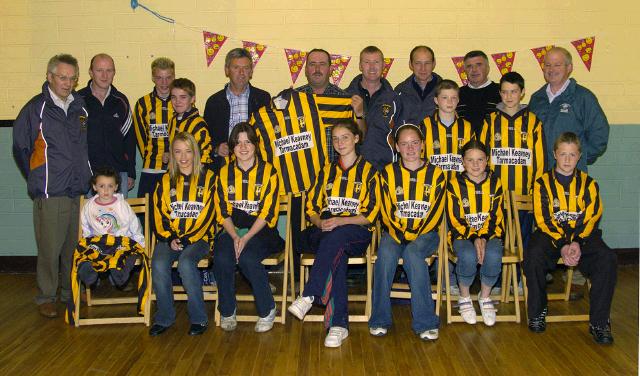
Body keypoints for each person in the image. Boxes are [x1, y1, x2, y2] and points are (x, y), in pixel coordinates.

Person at [13, 53, 92, 318]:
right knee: (49, 248)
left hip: (77, 189)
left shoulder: (80, 107)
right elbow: (21, 147)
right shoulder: (36, 108)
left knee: (73, 247)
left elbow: (83, 147)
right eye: (62, 77)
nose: (67, 83)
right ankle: (46, 296)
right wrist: (39, 178)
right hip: (51, 191)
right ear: (49, 77)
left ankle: (69, 293)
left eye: (72, 78)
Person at [288, 119, 379, 348]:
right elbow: (311, 208)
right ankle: (338, 326)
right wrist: (320, 222)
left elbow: (370, 214)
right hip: (325, 231)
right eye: (335, 139)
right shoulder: (326, 171)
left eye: (345, 137)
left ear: (356, 138)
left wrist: (341, 220)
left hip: (355, 231)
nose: (340, 143)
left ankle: (310, 293)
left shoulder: (370, 171)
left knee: (337, 238)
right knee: (335, 247)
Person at [523, 132, 616, 345]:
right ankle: (537, 311)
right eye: (563, 154)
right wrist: (564, 243)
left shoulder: (590, 184)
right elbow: (543, 218)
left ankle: (599, 322)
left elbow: (592, 217)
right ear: (555, 154)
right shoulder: (541, 183)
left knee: (607, 258)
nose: (567, 160)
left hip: (581, 237)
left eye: (572, 155)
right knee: (533, 254)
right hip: (551, 235)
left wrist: (577, 242)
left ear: (579, 156)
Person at [369, 124, 445, 341]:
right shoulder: (387, 173)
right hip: (394, 232)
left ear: (422, 145)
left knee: (413, 253)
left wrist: (413, 235)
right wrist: (399, 232)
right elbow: (384, 209)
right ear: (397, 147)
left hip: (426, 234)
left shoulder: (437, 174)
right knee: (385, 254)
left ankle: (426, 322)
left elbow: (436, 211)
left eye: (414, 143)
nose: (410, 148)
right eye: (404, 143)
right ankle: (380, 319)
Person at [212, 122, 284, 333]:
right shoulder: (224, 174)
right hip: (233, 229)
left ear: (255, 145)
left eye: (248, 142)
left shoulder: (269, 172)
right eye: (238, 143)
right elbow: (223, 211)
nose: (243, 147)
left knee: (247, 258)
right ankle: (227, 310)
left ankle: (268, 308)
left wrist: (246, 238)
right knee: (222, 256)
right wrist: (235, 236)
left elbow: (268, 213)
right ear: (232, 148)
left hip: (261, 231)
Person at [149, 132, 216, 336]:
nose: (184, 156)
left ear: (195, 153)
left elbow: (209, 213)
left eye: (188, 151)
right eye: (178, 151)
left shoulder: (209, 178)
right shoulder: (164, 181)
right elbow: (158, 214)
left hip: (200, 239)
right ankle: (165, 317)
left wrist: (189, 239)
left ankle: (199, 318)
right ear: (172, 154)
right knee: (159, 263)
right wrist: (170, 238)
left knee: (186, 263)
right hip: (171, 238)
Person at [480, 71, 545, 248]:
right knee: (496, 241)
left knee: (521, 242)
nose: (509, 96)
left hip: (523, 195)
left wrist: (535, 194)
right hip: (496, 195)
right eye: (505, 92)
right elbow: (481, 159)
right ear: (500, 93)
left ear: (522, 92)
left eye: (514, 91)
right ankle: (498, 277)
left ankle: (519, 275)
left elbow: (540, 161)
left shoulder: (533, 122)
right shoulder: (490, 121)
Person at [447, 140, 504, 326]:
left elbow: (496, 217)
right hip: (463, 235)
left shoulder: (496, 183)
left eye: (480, 159)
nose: (475, 164)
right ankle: (464, 296)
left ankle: (484, 296)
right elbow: (455, 219)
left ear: (487, 160)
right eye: (470, 160)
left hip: (491, 233)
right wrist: (474, 237)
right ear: (463, 162)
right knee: (467, 253)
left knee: (494, 253)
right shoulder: (454, 185)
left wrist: (484, 237)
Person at [529, 47, 609, 173]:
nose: (551, 69)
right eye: (548, 65)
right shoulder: (536, 99)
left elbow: (599, 134)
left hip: (572, 176)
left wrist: (579, 158)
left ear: (569, 68)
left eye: (557, 65)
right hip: (540, 175)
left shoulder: (583, 97)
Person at [76, 166, 145, 288]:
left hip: (120, 241)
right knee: (88, 252)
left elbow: (135, 224)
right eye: (102, 186)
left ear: (116, 187)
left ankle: (119, 272)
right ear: (94, 187)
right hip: (99, 242)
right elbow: (85, 226)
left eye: (110, 186)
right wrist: (86, 241)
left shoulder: (122, 205)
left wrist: (141, 242)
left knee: (127, 253)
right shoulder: (89, 206)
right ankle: (88, 271)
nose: (106, 190)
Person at [78, 53, 135, 198]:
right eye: (99, 70)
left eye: (109, 70)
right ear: (91, 72)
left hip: (117, 174)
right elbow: (73, 140)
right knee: (90, 219)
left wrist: (130, 172)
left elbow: (129, 139)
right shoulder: (78, 101)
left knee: (118, 219)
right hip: (88, 175)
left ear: (114, 73)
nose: (104, 75)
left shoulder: (121, 101)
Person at [203, 48, 271, 171]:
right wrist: (216, 149)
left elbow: (270, 135)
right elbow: (205, 137)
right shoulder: (214, 102)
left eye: (245, 68)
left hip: (256, 166)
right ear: (227, 70)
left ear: (251, 71)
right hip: (223, 166)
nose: (241, 72)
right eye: (236, 68)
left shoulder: (263, 98)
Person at [345, 46, 402, 171]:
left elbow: (400, 136)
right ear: (360, 66)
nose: (372, 67)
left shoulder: (394, 99)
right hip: (353, 168)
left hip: (385, 168)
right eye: (367, 62)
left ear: (383, 66)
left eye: (376, 62)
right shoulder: (345, 97)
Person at [133, 57, 175, 199]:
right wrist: (152, 156)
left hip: (177, 169)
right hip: (151, 168)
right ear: (153, 78)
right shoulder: (142, 104)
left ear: (174, 77)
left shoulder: (182, 102)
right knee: (148, 213)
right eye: (159, 78)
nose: (164, 83)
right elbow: (140, 138)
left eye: (168, 78)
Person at [420, 79, 475, 175]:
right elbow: (418, 157)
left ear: (458, 100)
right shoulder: (424, 125)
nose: (450, 101)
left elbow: (474, 155)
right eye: (444, 97)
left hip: (460, 185)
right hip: (432, 184)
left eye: (453, 98)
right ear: (436, 100)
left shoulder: (467, 127)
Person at [168, 78, 213, 166]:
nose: (177, 101)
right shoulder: (172, 120)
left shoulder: (198, 124)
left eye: (183, 97)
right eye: (174, 97)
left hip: (193, 174)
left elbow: (204, 156)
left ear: (192, 99)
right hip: (175, 172)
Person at [456, 50, 501, 137]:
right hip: (463, 147)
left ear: (488, 68)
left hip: (493, 146)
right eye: (469, 66)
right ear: (464, 70)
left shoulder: (501, 92)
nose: (474, 70)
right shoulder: (456, 94)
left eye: (479, 65)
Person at [394, 45, 442, 125]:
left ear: (434, 64)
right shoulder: (400, 91)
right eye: (418, 63)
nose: (423, 68)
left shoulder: (446, 91)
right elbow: (393, 124)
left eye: (427, 63)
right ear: (410, 64)